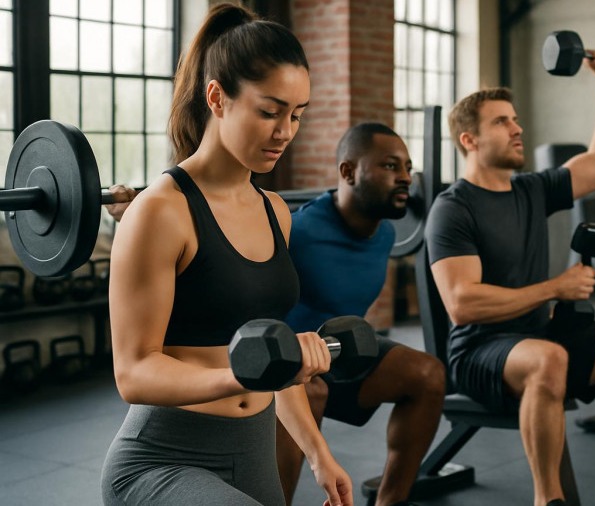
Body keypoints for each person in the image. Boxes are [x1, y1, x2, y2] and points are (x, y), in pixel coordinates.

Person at [99, 4, 352, 506]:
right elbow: (133, 372)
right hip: (163, 457)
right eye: (269, 111)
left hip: (253, 452)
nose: (285, 131)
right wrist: (241, 374)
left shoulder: (275, 212)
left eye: (297, 114)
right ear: (217, 97)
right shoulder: (161, 211)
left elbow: (274, 358)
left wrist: (318, 453)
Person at [425, 59, 595, 506]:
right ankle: (548, 499)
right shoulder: (453, 208)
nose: (517, 128)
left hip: (538, 334)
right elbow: (462, 304)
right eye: (501, 122)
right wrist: (554, 288)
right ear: (469, 140)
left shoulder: (531, 189)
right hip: (479, 350)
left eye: (515, 119)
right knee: (548, 359)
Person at [276, 123, 445, 506]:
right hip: (285, 370)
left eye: (407, 167)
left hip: (340, 355)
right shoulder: (298, 232)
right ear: (349, 172)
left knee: (428, 375)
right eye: (390, 166)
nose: (406, 178)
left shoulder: (385, 235)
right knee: (309, 389)